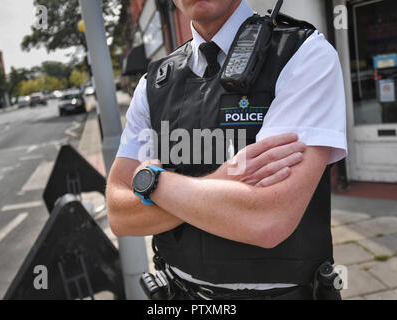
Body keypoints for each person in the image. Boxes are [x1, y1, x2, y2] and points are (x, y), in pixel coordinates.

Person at [106, 0, 347, 300]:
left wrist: (153, 183)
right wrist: (221, 182)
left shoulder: (303, 54)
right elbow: (119, 215)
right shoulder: (152, 83)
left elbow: (266, 219)